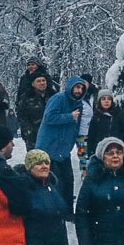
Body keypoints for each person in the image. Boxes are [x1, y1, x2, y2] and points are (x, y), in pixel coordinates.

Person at [36, 76, 86, 210]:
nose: (79, 90)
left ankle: (68, 210)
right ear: (70, 87)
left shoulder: (78, 104)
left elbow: (76, 126)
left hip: (64, 150)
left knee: (68, 181)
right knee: (53, 181)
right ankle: (54, 210)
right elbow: (48, 117)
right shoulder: (58, 99)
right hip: (49, 147)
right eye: (76, 87)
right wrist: (69, 116)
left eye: (81, 88)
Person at [86, 89, 124, 156]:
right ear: (99, 101)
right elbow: (91, 136)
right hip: (100, 152)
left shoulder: (119, 114)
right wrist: (91, 151)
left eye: (109, 99)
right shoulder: (96, 116)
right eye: (103, 99)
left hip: (117, 152)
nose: (106, 101)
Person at [16, 73, 52, 147]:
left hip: (51, 135)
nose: (42, 83)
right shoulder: (26, 97)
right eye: (38, 81)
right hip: (33, 136)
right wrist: (28, 132)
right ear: (33, 84)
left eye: (43, 80)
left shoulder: (53, 96)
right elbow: (21, 115)